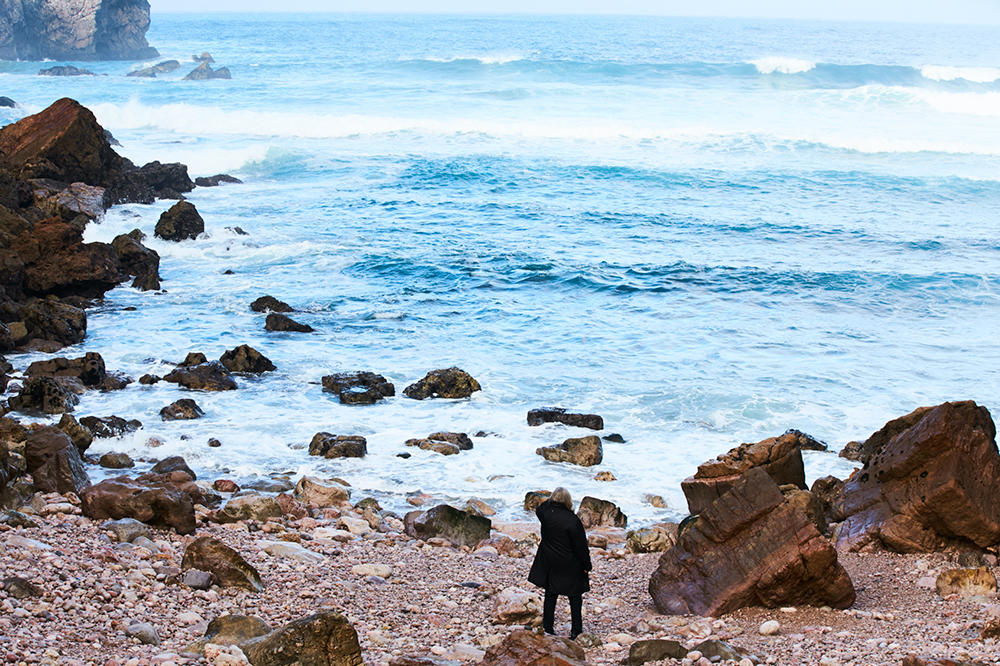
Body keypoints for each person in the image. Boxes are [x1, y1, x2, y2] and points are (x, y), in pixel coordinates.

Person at [527, 487, 592, 638]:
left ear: (553, 500)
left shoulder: (545, 514)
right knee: (575, 597)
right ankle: (576, 631)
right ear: (568, 501)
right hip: (570, 562)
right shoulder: (572, 520)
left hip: (549, 560)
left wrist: (550, 500)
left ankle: (548, 627)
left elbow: (541, 507)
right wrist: (586, 566)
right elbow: (581, 547)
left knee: (551, 594)